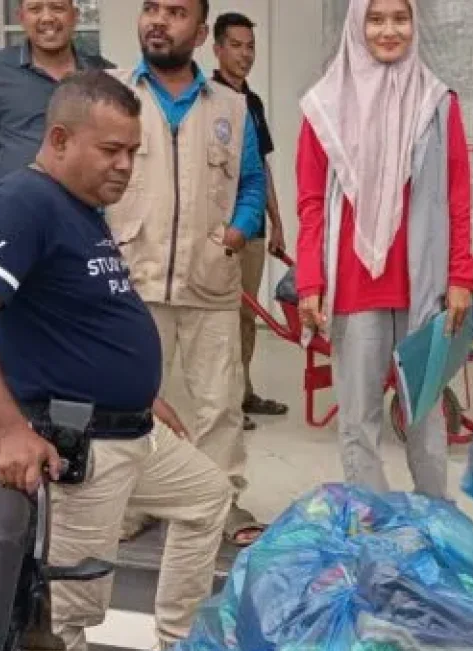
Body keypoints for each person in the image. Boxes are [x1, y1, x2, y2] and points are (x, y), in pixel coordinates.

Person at [0, 71, 234, 651]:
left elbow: (75, 318)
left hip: (130, 429)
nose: (125, 167)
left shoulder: (78, 208)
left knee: (208, 497)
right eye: (111, 151)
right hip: (77, 448)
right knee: (64, 615)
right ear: (60, 139)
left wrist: (137, 390)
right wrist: (7, 427)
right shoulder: (23, 205)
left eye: (134, 153)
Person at [295, 0, 473, 499]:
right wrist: (310, 280)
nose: (388, 29)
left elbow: (457, 196)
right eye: (375, 18)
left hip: (422, 287)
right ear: (358, 24)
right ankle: (374, 532)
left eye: (400, 18)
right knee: (359, 422)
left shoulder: (438, 103)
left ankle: (437, 521)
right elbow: (311, 203)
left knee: (426, 419)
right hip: (353, 287)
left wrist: (461, 276)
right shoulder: (323, 107)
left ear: (415, 24)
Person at [108, 0, 268, 547]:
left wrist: (242, 230)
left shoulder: (232, 106)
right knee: (130, 401)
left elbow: (250, 184)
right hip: (134, 278)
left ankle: (219, 500)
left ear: (200, 33)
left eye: (175, 12)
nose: (158, 20)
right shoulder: (113, 94)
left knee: (218, 403)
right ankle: (137, 500)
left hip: (211, 278)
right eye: (151, 8)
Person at [0, 0, 110, 235]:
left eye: (57, 8)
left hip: (85, 217)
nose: (47, 18)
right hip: (13, 216)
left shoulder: (102, 75)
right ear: (21, 17)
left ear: (75, 16)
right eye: (35, 9)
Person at [213, 11, 290, 430]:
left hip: (255, 229)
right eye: (237, 45)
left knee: (247, 317)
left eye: (250, 46)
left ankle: (242, 394)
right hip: (222, 231)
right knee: (221, 317)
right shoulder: (209, 97)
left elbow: (260, 166)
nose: (245, 54)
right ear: (218, 48)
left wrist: (277, 222)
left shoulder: (252, 102)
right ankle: (224, 405)